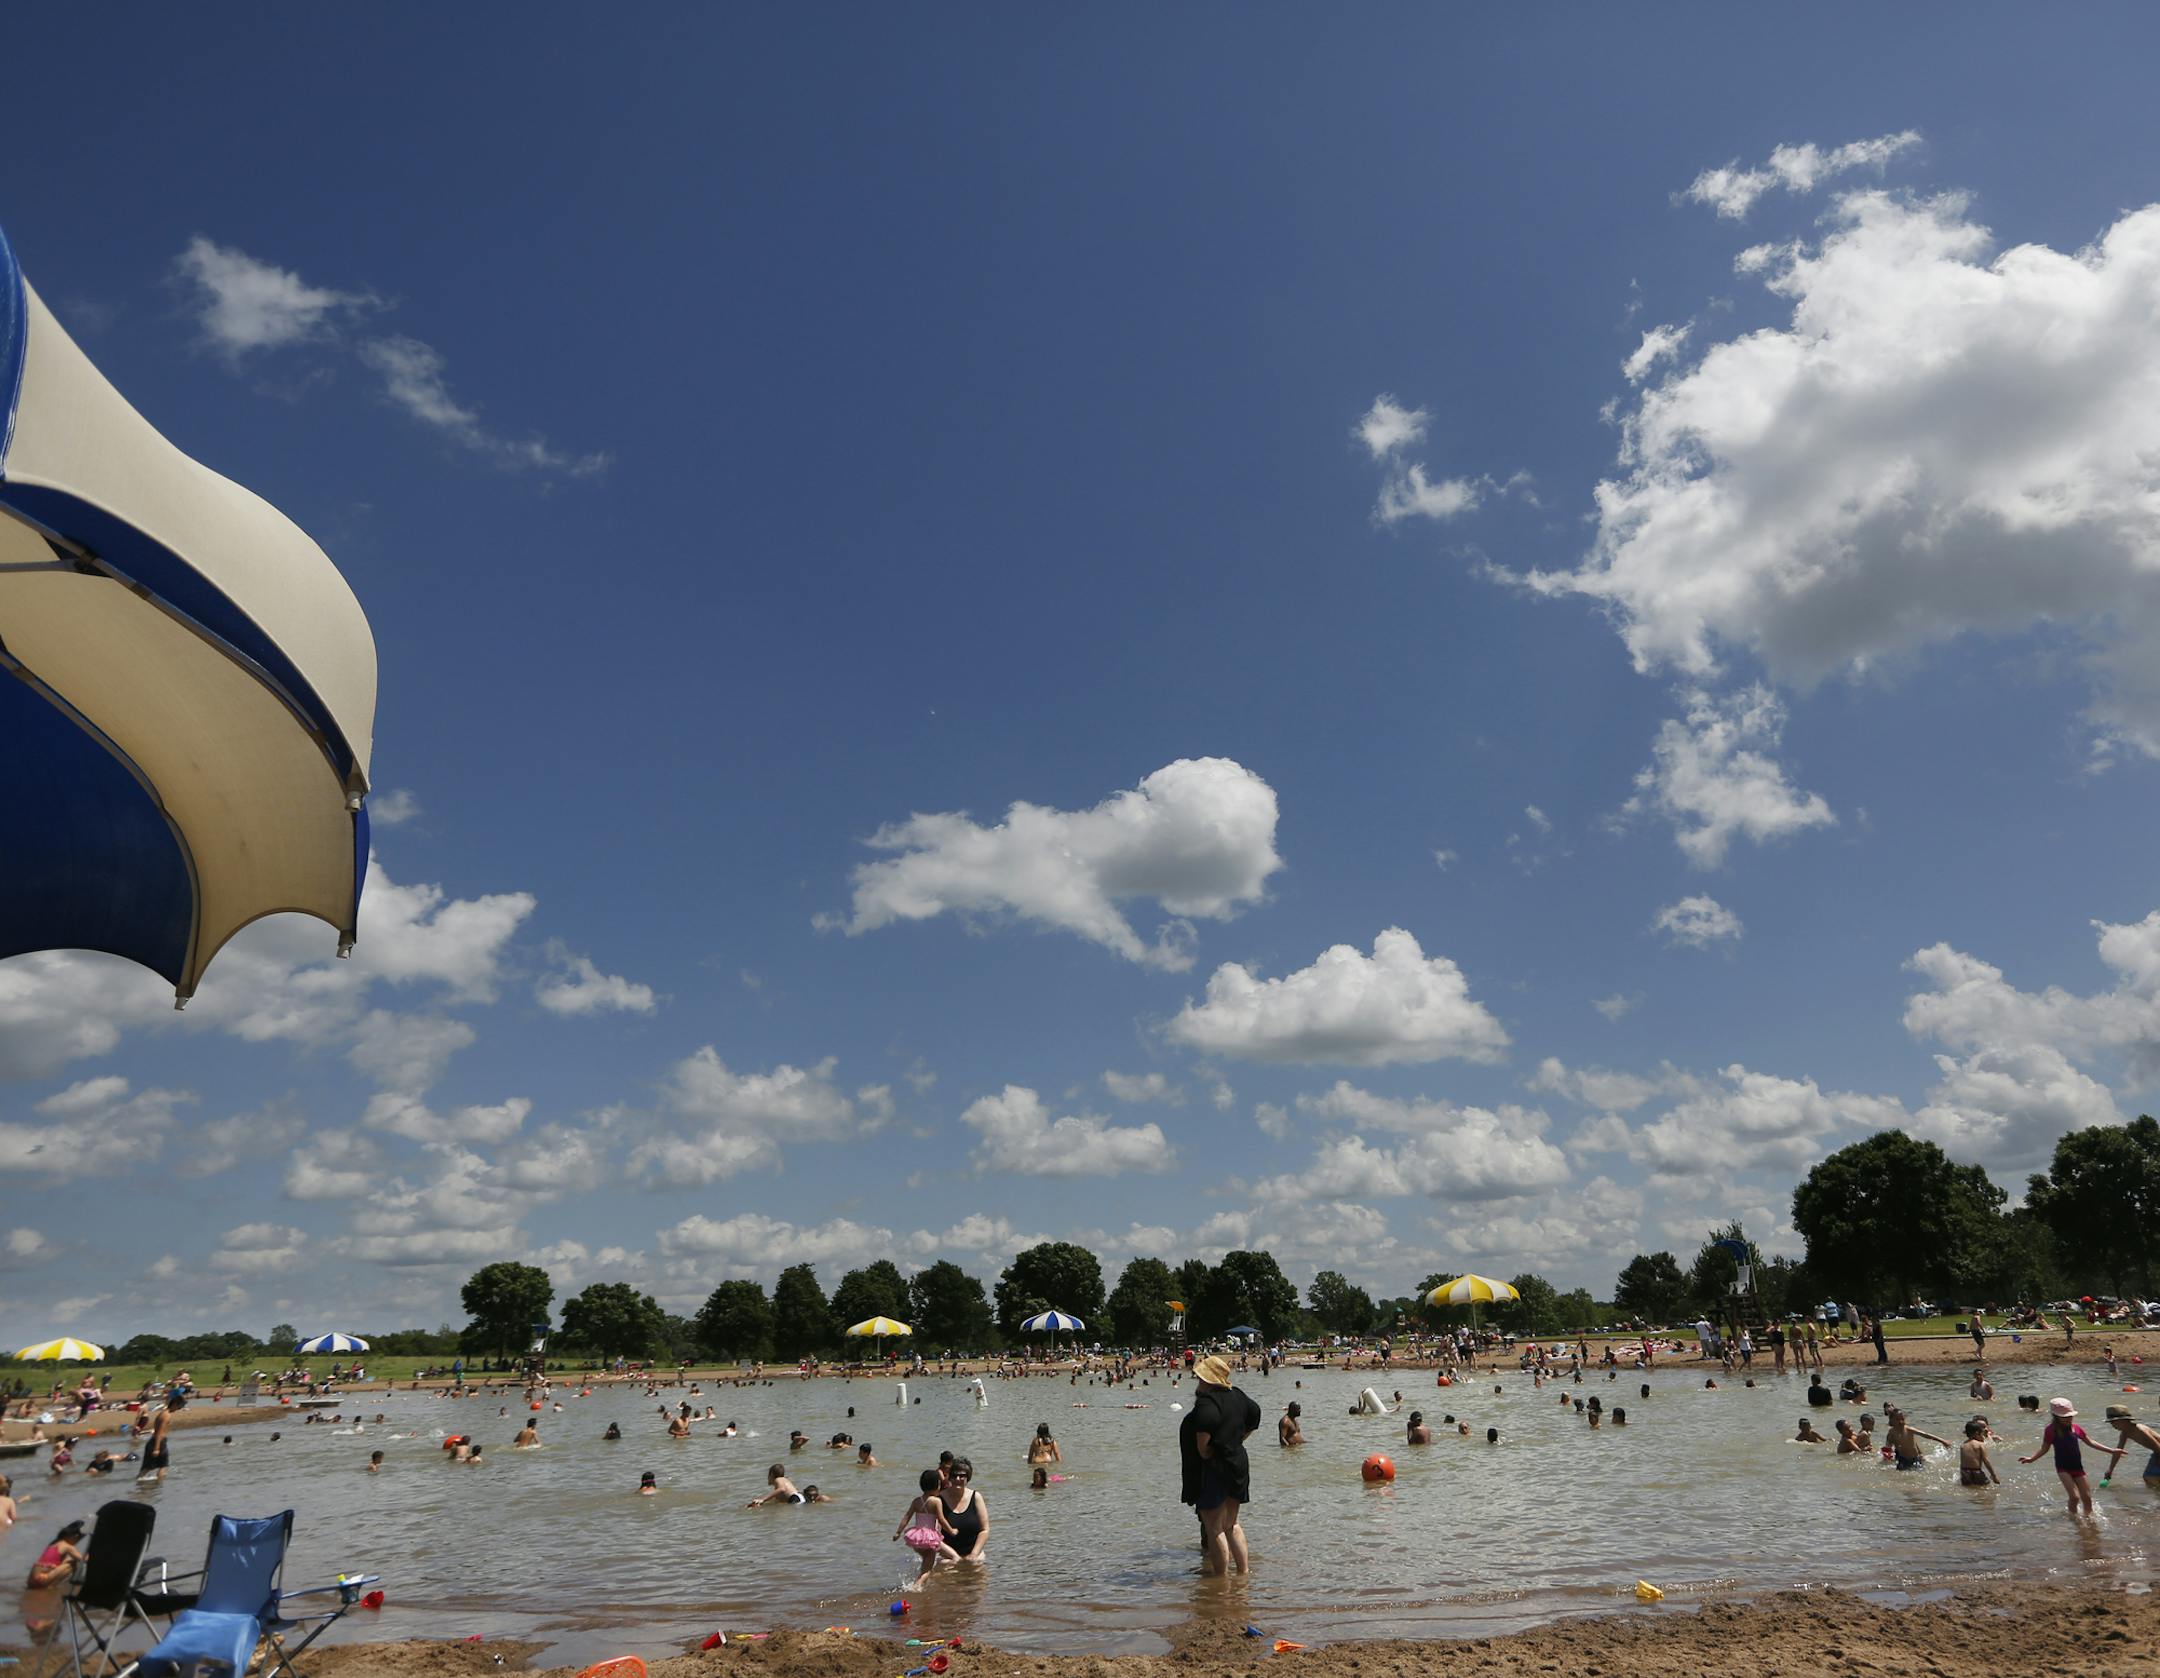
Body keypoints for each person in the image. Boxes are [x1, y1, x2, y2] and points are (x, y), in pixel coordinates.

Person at [1179, 1354, 1260, 1577]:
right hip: (1238, 1463)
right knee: (1232, 1524)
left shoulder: (1206, 1404)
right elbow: (1255, 1415)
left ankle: (1220, 1581)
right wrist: (1236, 1440)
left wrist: (1213, 1449)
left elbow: (1203, 1448)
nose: (1198, 1382)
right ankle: (1243, 1573)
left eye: (1199, 1378)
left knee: (1214, 1527)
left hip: (1216, 1468)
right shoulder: (1238, 1396)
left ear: (1207, 1380)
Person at [2020, 1399, 2123, 1515]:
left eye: (2070, 1416)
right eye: (2064, 1417)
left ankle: (2088, 1521)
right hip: (2063, 1468)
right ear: (2055, 1416)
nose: (2068, 1419)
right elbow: (2044, 1448)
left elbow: (2091, 1442)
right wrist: (2032, 1459)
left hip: (2078, 1468)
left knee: (2087, 1498)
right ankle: (2074, 1520)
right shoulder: (2050, 1430)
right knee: (2074, 1497)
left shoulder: (2076, 1428)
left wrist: (2111, 1450)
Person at [894, 1467, 957, 1589]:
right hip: (929, 1539)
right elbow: (942, 1519)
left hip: (917, 1539)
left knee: (926, 1562)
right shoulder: (936, 1501)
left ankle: (924, 1582)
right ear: (937, 1485)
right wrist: (951, 1530)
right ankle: (916, 1587)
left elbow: (906, 1516)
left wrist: (898, 1532)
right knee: (927, 1569)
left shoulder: (917, 1501)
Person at [942, 1456, 989, 1561]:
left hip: (973, 1552)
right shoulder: (939, 1500)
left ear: (968, 1477)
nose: (958, 1479)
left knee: (977, 1565)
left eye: (962, 1476)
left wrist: (974, 1554)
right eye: (954, 1476)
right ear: (949, 1477)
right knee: (946, 1566)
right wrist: (953, 1556)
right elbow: (934, 1534)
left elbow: (985, 1530)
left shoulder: (976, 1497)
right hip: (947, 1555)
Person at [2102, 1404, 2160, 1481]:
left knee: (2150, 1477)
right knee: (2148, 1477)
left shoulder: (2140, 1430)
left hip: (2158, 1452)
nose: (2112, 1425)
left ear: (2124, 1420)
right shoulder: (2125, 1433)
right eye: (2111, 1422)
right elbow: (2118, 1452)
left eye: (2113, 1422)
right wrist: (2110, 1469)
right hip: (2156, 1453)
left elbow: (2158, 1448)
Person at [1883, 1406, 1950, 1470]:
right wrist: (1887, 1459)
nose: (1901, 1421)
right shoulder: (1891, 1433)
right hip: (1903, 1460)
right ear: (1891, 1421)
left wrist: (1943, 1441)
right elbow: (1888, 1447)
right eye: (1898, 1419)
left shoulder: (1909, 1430)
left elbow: (1925, 1435)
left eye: (1903, 1419)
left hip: (1915, 1458)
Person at [26, 1521, 86, 1588]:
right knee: (72, 1564)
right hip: (41, 1579)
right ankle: (51, 1587)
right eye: (78, 1540)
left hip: (30, 1581)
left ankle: (50, 1585)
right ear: (74, 1536)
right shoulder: (68, 1546)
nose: (76, 1543)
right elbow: (83, 1560)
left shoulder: (54, 1543)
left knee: (69, 1559)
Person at [139, 1391, 181, 1483]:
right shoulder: (166, 1416)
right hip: (159, 1442)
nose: (179, 1409)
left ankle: (139, 1483)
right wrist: (157, 1448)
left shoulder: (163, 1413)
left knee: (147, 1467)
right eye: (179, 1406)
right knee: (163, 1466)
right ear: (174, 1404)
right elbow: (159, 1432)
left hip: (153, 1442)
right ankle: (158, 1485)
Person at [1959, 1419, 2000, 1487]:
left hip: (1964, 1472)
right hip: (1976, 1472)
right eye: (1981, 1434)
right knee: (1985, 1489)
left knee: (1970, 1489)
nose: (1983, 1437)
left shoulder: (1963, 1445)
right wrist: (1993, 1475)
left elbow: (1962, 1462)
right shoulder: (1980, 1444)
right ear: (1977, 1433)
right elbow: (1986, 1461)